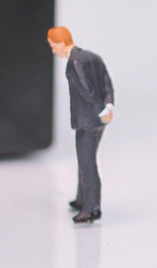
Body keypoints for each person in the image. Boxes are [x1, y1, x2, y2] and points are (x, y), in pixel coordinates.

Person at [47, 27, 115, 224]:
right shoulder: (93, 57)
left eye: (53, 46)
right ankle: (81, 198)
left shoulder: (74, 63)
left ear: (62, 43)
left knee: (88, 164)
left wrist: (98, 108)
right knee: (85, 160)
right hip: (101, 119)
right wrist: (108, 107)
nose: (53, 50)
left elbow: (87, 91)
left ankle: (91, 208)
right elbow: (107, 83)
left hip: (87, 121)